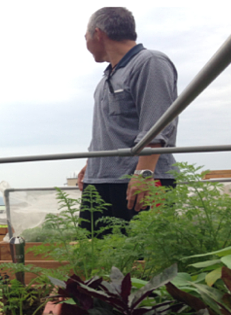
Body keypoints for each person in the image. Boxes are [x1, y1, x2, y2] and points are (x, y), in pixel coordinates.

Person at [77, 7, 178, 236]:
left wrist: (144, 175)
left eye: (85, 36)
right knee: (96, 259)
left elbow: (157, 123)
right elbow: (111, 129)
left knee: (145, 261)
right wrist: (92, 163)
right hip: (101, 180)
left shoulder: (149, 62)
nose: (85, 41)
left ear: (98, 33)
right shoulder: (107, 77)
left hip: (140, 181)